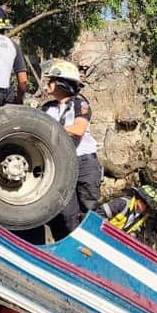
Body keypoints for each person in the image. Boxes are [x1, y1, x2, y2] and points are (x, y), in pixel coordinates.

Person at [40, 60, 99, 239]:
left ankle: (92, 247)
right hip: (61, 164)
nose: (47, 84)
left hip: (84, 162)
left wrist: (50, 127)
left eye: (51, 80)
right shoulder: (47, 108)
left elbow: (78, 129)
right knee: (66, 213)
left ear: (62, 83)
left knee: (89, 210)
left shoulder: (80, 104)